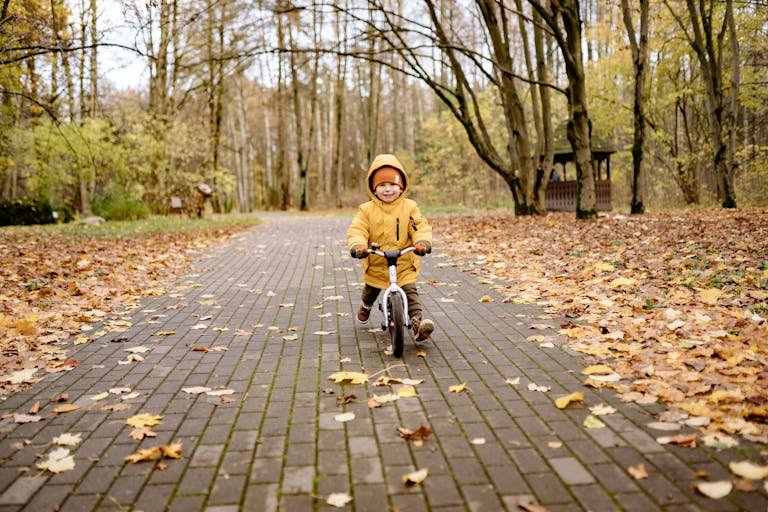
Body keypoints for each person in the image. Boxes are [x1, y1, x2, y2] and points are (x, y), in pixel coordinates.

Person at [347, 154, 435, 341]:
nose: (388, 189)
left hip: (403, 261)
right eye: (382, 185)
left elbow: (419, 226)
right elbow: (357, 229)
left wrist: (423, 242)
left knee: (410, 292)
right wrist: (358, 245)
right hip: (377, 260)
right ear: (374, 188)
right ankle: (366, 306)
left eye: (393, 184)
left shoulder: (409, 207)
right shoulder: (366, 210)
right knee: (371, 290)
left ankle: (418, 325)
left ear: (401, 186)